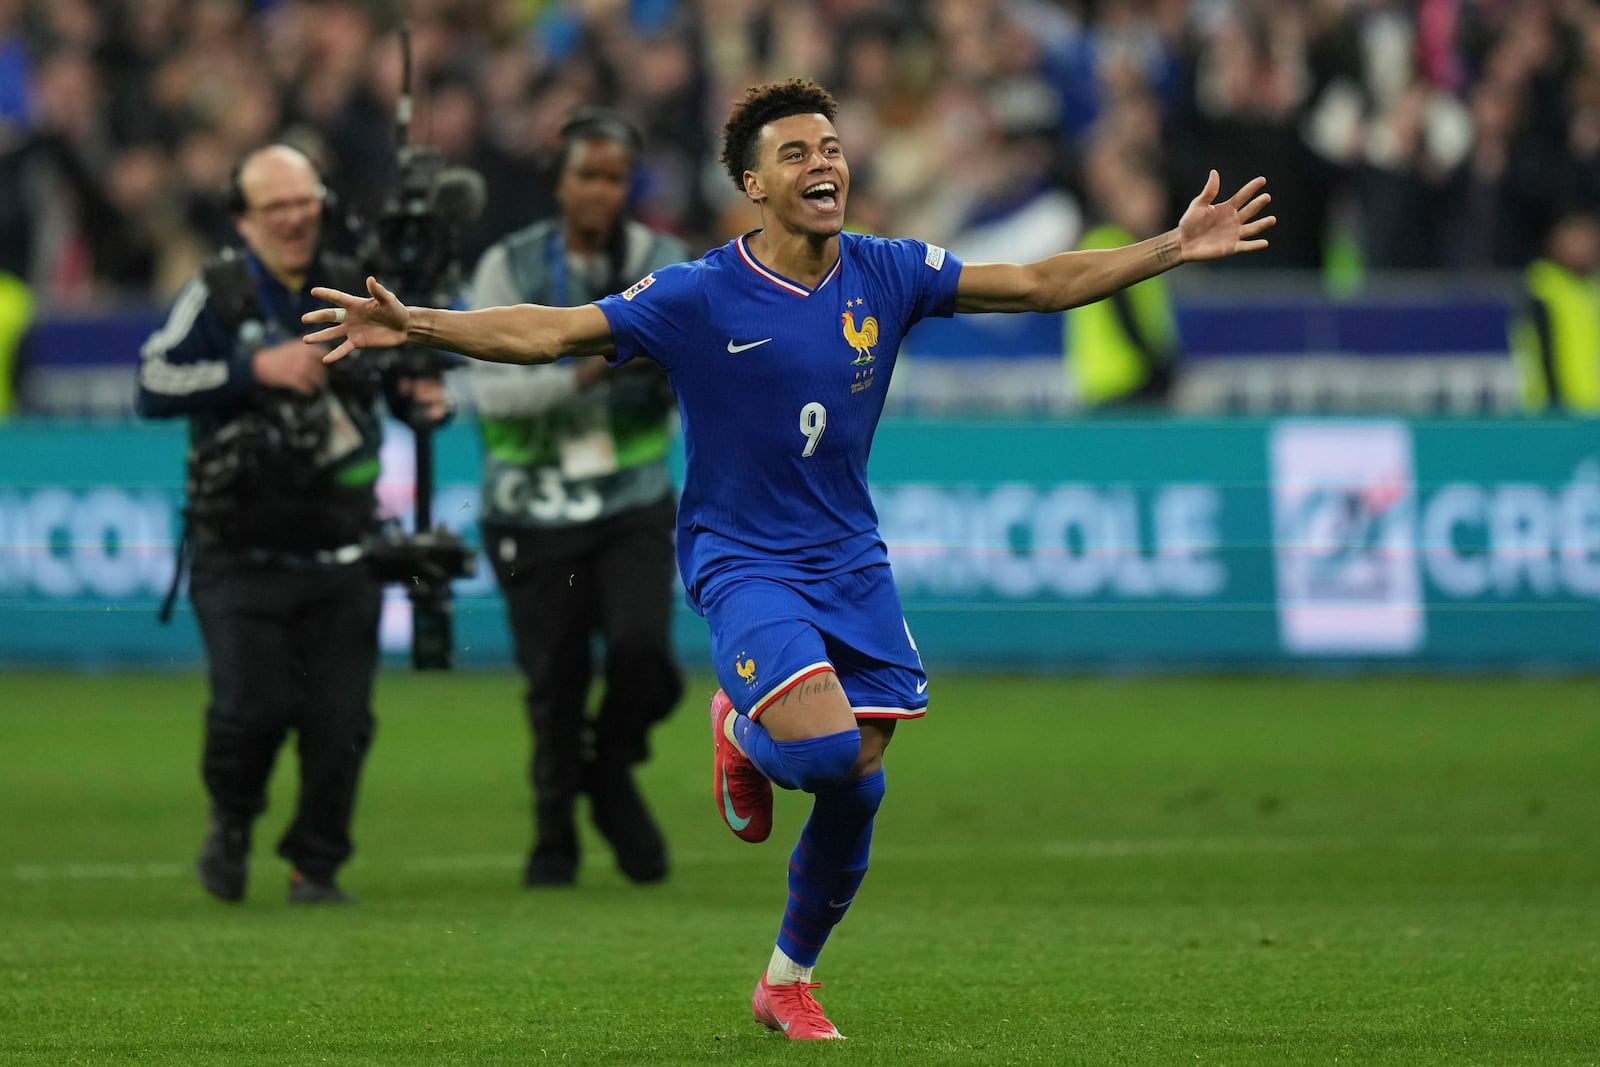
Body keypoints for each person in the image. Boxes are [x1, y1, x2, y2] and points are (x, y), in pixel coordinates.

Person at [304, 79, 1272, 1035]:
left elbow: (1034, 285)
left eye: (831, 146)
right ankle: (740, 726)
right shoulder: (696, 292)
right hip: (741, 555)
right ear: (751, 186)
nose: (825, 164)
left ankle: (786, 979)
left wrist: (1172, 247)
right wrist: (418, 323)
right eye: (796, 154)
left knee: (859, 778)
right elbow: (553, 331)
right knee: (815, 751)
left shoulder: (888, 269)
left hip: (848, 555)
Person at [136, 143, 449, 905]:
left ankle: (317, 862)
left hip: (344, 543)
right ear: (243, 218)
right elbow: (151, 381)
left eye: (304, 201)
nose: (293, 217)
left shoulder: (354, 284)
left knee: (341, 719)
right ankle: (233, 820)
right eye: (275, 206)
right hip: (240, 545)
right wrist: (254, 370)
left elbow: (397, 381)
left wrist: (421, 401)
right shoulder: (217, 291)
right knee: (252, 708)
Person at [465, 107, 689, 888]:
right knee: (553, 678)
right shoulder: (509, 267)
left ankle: (610, 768)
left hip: (632, 495)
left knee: (642, 653)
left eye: (614, 177)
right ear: (558, 181)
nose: (600, 191)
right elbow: (491, 398)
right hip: (531, 506)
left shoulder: (665, 260)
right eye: (586, 175)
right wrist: (594, 365)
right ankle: (553, 837)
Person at [1066, 157, 1181, 409]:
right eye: (1143, 199)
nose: (1153, 208)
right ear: (1119, 200)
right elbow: (1124, 311)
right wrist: (1157, 365)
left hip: (1123, 380)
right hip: (1122, 381)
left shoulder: (1140, 247)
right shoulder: (1108, 244)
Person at [1508, 207, 1600, 414]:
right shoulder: (1543, 289)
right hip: (1553, 411)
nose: (1586, 248)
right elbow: (1543, 352)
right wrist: (1555, 405)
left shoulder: (1590, 291)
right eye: (1577, 240)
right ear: (1557, 242)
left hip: (1590, 411)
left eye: (1591, 240)